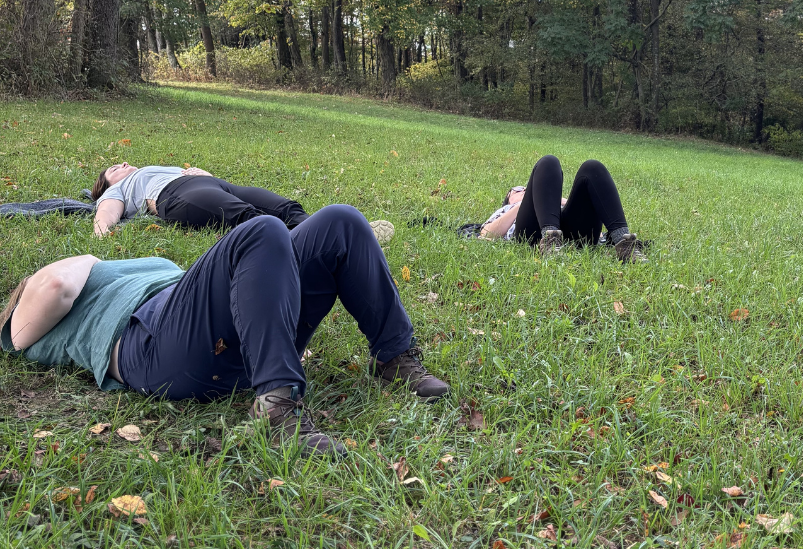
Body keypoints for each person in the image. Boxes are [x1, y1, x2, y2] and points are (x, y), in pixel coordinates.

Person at [1, 206, 449, 456]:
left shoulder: (135, 271)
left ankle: (395, 356)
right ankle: (277, 407)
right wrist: (83, 260)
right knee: (263, 231)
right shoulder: (55, 289)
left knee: (341, 223)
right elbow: (46, 298)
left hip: (217, 335)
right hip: (151, 346)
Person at [480, 155, 645, 261]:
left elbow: (595, 221)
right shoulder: (507, 210)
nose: (522, 190)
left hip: (571, 232)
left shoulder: (557, 202)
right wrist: (523, 202)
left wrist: (558, 200)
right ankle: (550, 243)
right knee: (548, 162)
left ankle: (625, 246)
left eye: (525, 189)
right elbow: (486, 233)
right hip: (532, 233)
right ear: (509, 198)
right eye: (518, 190)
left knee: (592, 167)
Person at [90, 161, 307, 237]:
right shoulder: (115, 190)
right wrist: (102, 232)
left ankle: (325, 232)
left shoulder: (144, 171)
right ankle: (302, 250)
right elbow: (107, 212)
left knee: (286, 208)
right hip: (176, 194)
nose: (123, 164)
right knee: (247, 216)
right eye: (115, 169)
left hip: (217, 184)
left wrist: (207, 175)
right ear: (107, 185)